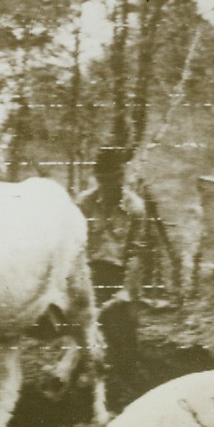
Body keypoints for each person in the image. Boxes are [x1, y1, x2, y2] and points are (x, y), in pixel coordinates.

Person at [75, 146, 150, 370]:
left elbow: (136, 252)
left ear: (122, 176)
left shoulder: (135, 207)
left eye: (115, 178)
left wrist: (127, 289)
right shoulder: (84, 203)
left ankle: (127, 372)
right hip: (87, 274)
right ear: (98, 179)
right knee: (85, 334)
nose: (110, 185)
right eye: (104, 180)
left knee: (124, 334)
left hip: (120, 275)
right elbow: (74, 246)